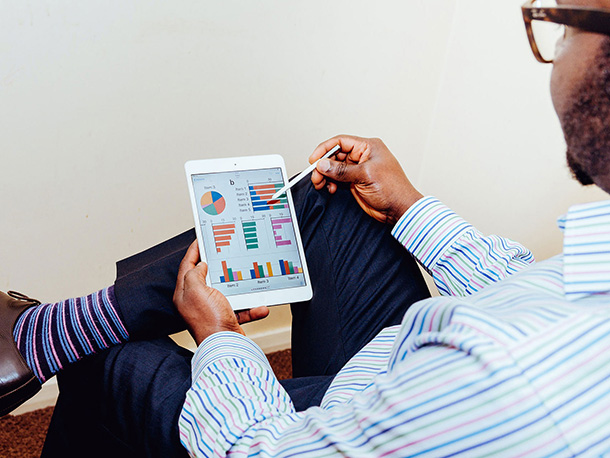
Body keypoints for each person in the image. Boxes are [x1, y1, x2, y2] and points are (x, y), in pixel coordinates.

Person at [2, 0, 610, 455]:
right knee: (340, 198)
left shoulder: (516, 372)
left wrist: (220, 340)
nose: (557, 51)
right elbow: (528, 289)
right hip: (398, 373)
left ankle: (47, 338)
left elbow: (260, 449)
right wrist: (409, 205)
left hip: (336, 426)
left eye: (566, 25)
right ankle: (50, 333)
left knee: (112, 357)